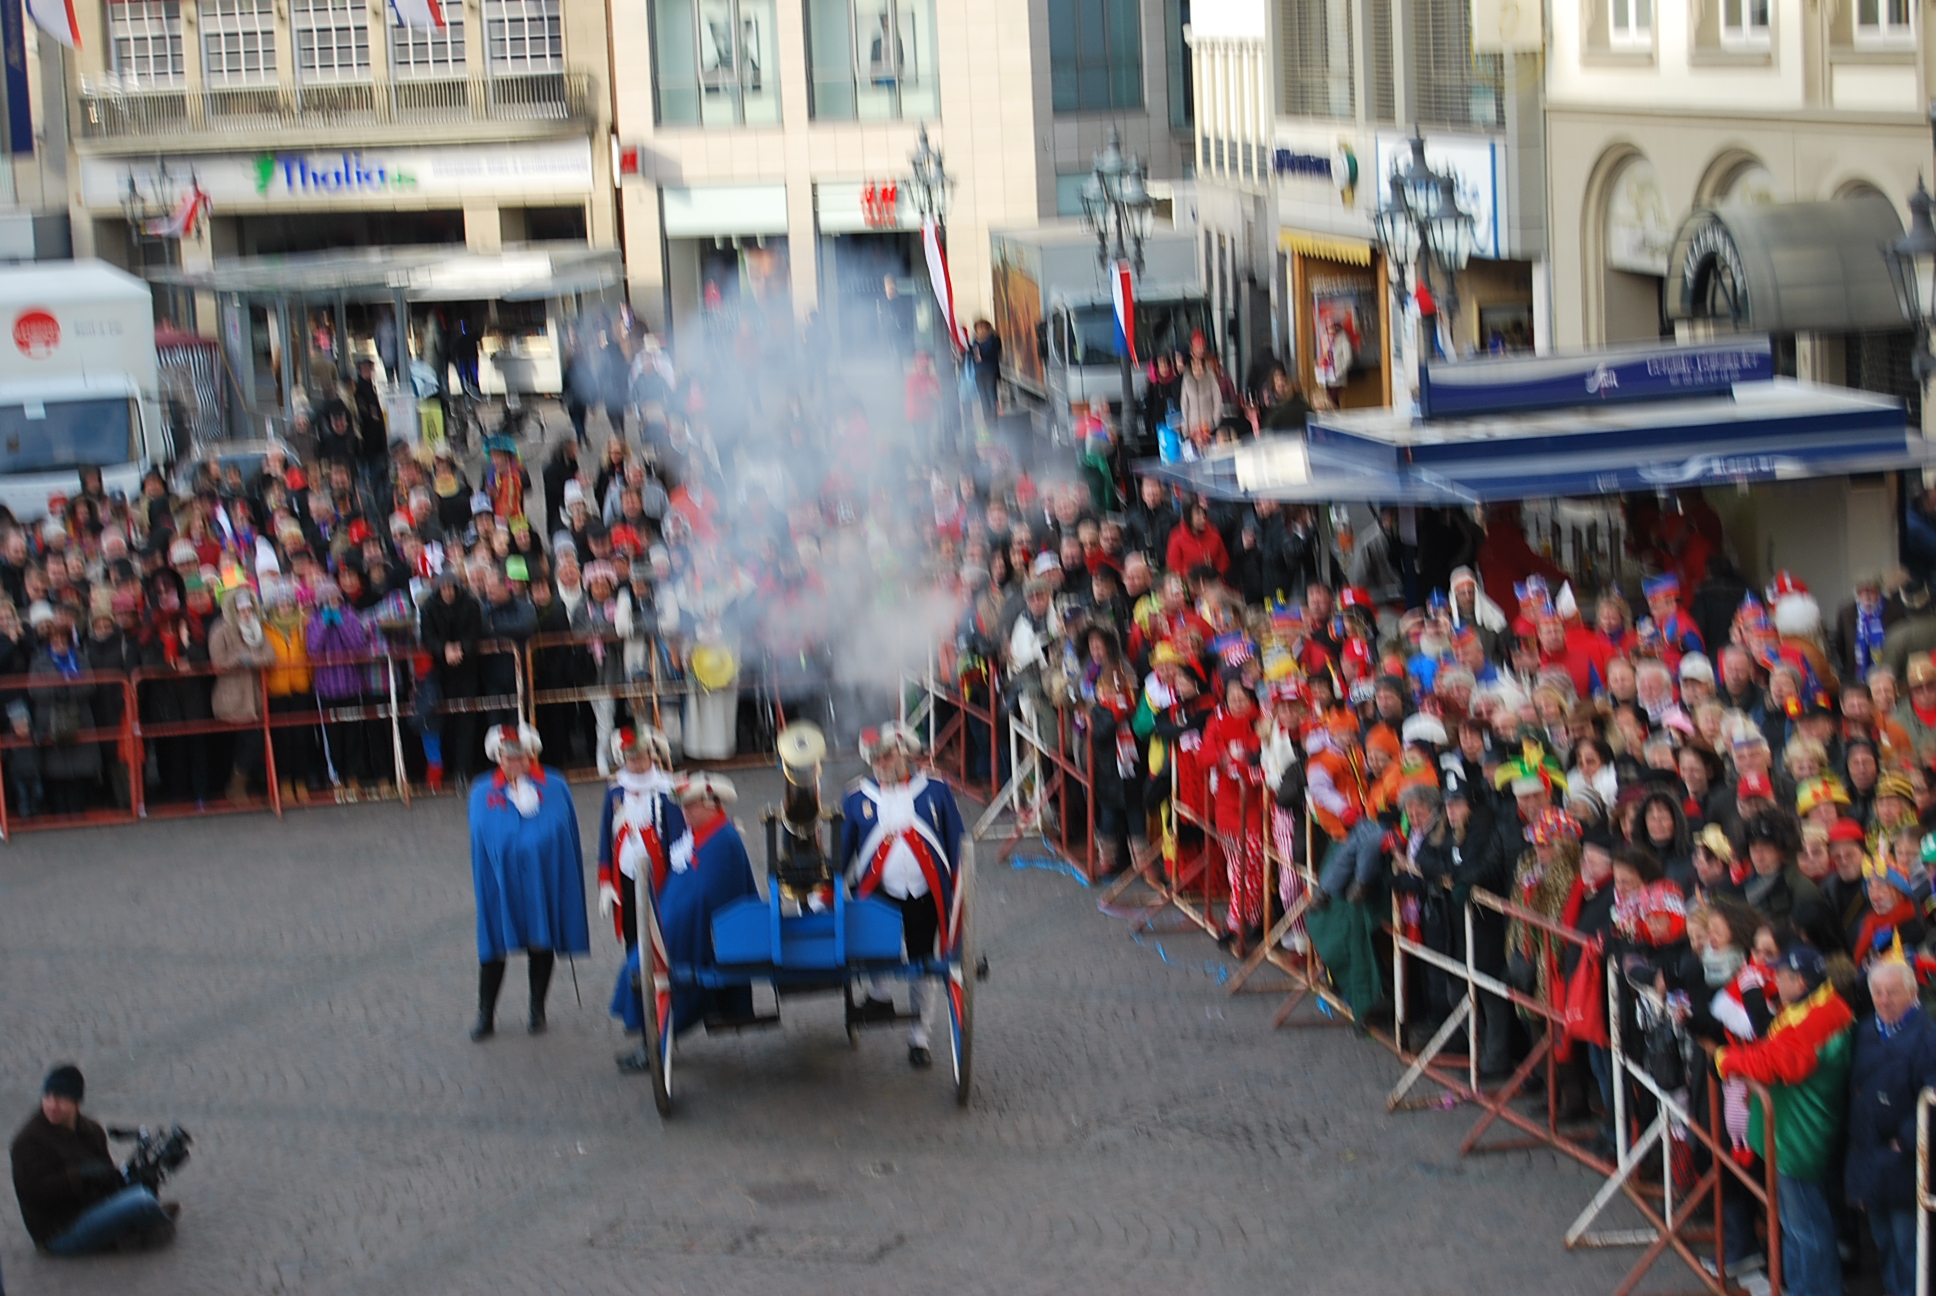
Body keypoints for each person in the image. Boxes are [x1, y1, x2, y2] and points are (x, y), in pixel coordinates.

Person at [1714, 945, 1856, 1296]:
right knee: (1795, 1226)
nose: (1774, 980)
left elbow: (1777, 1063)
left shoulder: (1819, 1018)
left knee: (1806, 1229)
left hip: (1798, 1138)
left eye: (1781, 975)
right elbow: (1772, 1049)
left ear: (1801, 981)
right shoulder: (1815, 1007)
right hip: (1791, 1133)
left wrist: (1727, 1060)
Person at [840, 720, 966, 1068]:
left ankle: (919, 1037)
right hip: (879, 891)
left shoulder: (936, 790)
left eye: (888, 755)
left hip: (925, 894)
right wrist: (825, 889)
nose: (882, 763)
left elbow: (957, 844)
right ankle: (879, 993)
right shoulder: (855, 797)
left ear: (903, 753)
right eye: (876, 759)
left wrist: (960, 893)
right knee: (875, 945)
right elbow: (843, 853)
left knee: (924, 962)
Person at [614, 770, 761, 1040]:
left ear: (710, 804)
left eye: (691, 805)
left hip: (702, 931)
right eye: (683, 806)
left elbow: (711, 895)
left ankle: (656, 1036)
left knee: (645, 967)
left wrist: (675, 919)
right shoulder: (696, 836)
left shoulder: (723, 839)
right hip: (677, 922)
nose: (684, 812)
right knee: (638, 963)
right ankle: (651, 1033)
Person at [467, 723, 589, 1040]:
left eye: (521, 756)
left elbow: (563, 830)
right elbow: (483, 834)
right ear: (498, 757)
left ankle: (537, 1008)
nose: (515, 762)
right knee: (493, 946)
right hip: (500, 883)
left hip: (541, 878)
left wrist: (538, 847)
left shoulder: (554, 785)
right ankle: (485, 1013)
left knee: (541, 939)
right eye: (508, 757)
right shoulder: (482, 791)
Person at [11, 1064, 177, 1255]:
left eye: (61, 1098)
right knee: (142, 1202)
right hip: (58, 1232)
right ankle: (151, 1221)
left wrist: (124, 1179)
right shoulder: (28, 1141)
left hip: (91, 1209)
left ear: (76, 1101)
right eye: (47, 1097)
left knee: (141, 1190)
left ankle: (136, 1224)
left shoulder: (92, 1131)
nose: (52, 1105)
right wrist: (80, 1176)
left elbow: (105, 1178)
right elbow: (33, 1194)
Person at [1846, 957, 1936, 1296]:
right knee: (1883, 1243)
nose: (1884, 1000)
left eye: (1893, 992)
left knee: (1908, 1249)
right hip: (1869, 1156)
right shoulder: (1867, 1029)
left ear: (1913, 993)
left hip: (1905, 1163)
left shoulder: (1927, 1038)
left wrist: (1905, 1141)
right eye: (1878, 992)